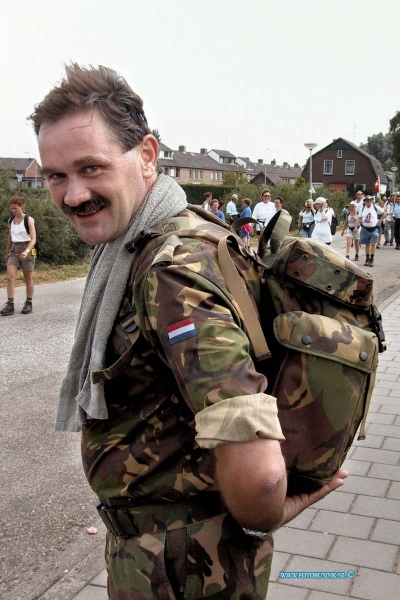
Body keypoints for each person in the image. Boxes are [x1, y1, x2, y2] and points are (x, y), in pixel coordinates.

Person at [31, 63, 347, 599]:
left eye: (91, 168)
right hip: (180, 554)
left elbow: (258, 465)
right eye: (56, 176)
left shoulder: (173, 269)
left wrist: (269, 510)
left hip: (182, 567)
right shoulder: (162, 238)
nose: (74, 194)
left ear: (148, 156)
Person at [1, 196, 36, 316]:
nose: (13, 211)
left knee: (28, 278)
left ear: (21, 207)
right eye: (11, 209)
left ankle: (28, 302)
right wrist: (7, 253)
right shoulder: (11, 220)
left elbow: (33, 239)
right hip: (14, 249)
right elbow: (10, 238)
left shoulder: (28, 220)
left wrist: (26, 251)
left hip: (27, 248)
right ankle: (10, 304)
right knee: (10, 277)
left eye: (15, 208)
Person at [355, 195, 386, 267]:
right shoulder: (362, 209)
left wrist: (379, 221)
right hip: (365, 228)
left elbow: (384, 213)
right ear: (365, 202)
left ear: (372, 201)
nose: (369, 202)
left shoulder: (375, 207)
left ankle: (372, 259)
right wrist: (356, 227)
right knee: (367, 244)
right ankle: (367, 258)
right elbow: (358, 218)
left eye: (370, 200)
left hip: (374, 228)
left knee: (373, 243)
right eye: (367, 200)